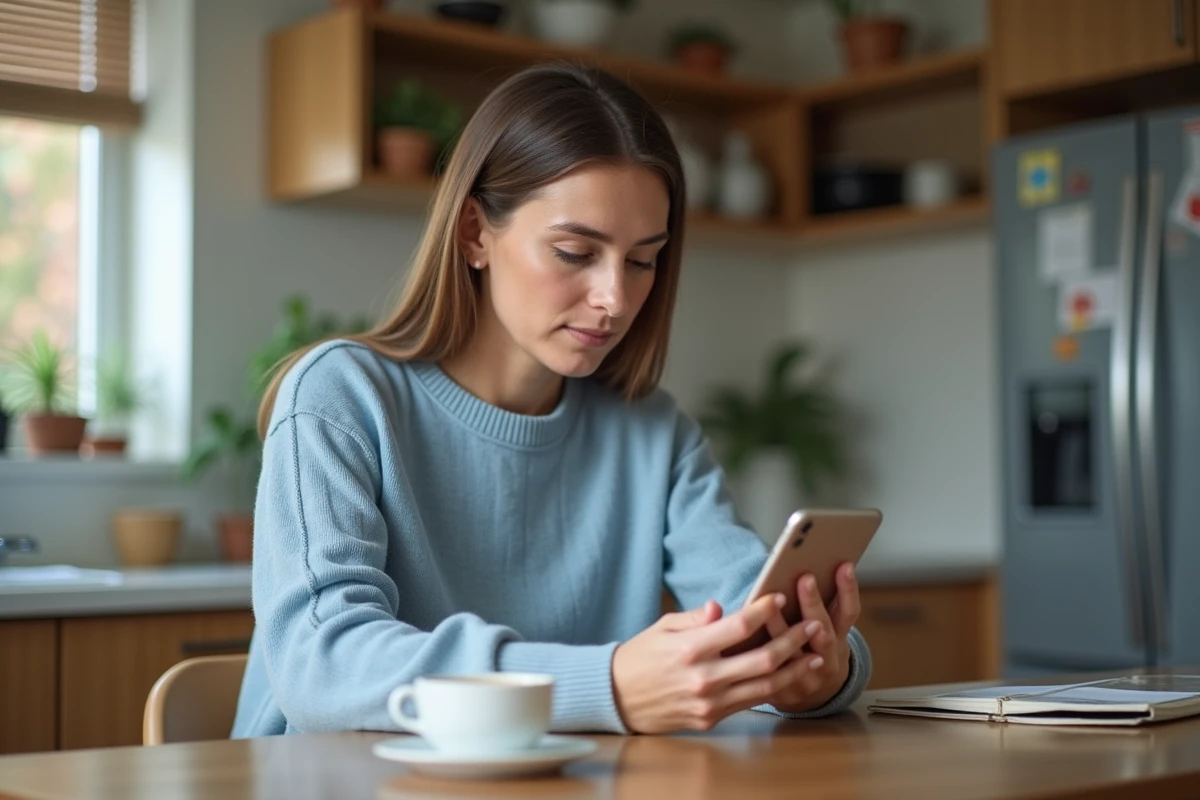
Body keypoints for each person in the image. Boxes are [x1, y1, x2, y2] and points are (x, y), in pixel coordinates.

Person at [231, 62, 870, 738]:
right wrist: (607, 686)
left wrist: (816, 670)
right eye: (574, 252)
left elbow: (750, 606)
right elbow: (323, 665)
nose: (615, 298)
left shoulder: (653, 433)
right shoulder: (341, 397)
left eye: (643, 260)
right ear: (475, 233)